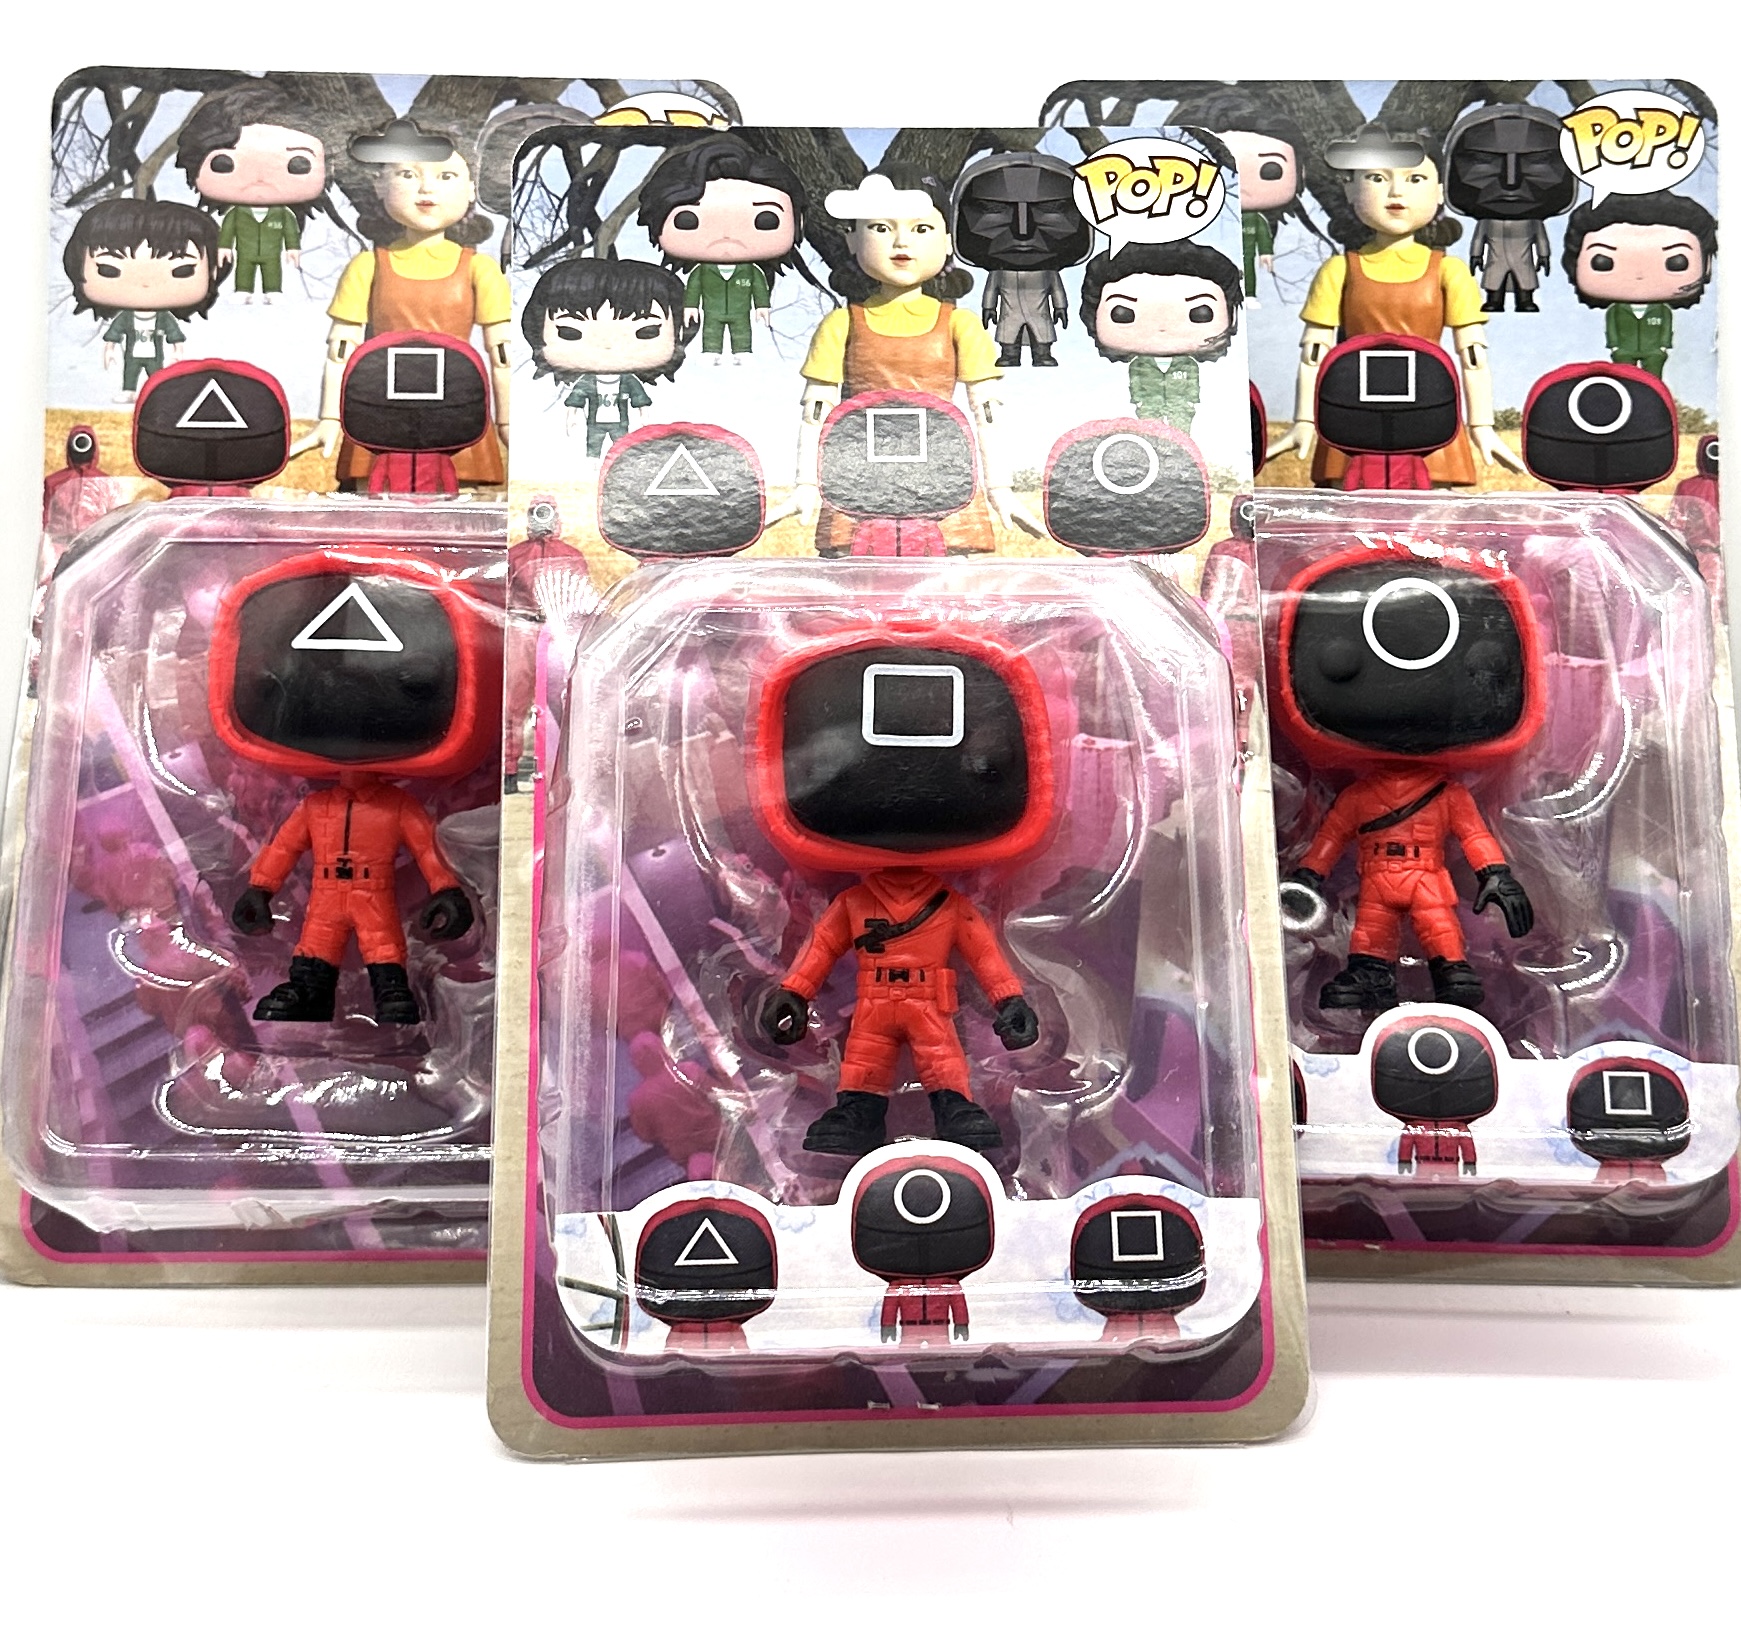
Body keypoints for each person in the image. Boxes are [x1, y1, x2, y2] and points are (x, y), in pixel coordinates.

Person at [784, 165, 1039, 550]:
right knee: (855, 571)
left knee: (949, 575)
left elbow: (987, 413)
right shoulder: (841, 324)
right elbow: (816, 412)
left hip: (944, 478)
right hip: (858, 481)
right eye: (880, 228)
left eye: (922, 229)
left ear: (948, 241)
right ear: (853, 239)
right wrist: (806, 484)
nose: (902, 242)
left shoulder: (961, 324)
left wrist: (1000, 488)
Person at [1268, 124, 1526, 485]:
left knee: (1433, 512)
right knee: (1350, 508)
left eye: (1415, 178)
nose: (1396, 191)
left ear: (1440, 191)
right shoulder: (1339, 270)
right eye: (1376, 178)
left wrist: (1482, 426)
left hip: (1431, 413)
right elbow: (1314, 355)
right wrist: (1305, 421)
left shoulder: (1449, 271)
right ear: (1350, 189)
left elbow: (1473, 358)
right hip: (1350, 414)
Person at [300, 118, 510, 487]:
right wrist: (330, 417)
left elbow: (502, 355)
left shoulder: (480, 269)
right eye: (408, 175)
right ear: (379, 184)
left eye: (446, 176)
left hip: (457, 406)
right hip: (377, 407)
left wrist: (506, 421)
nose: (427, 188)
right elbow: (340, 351)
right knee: (375, 497)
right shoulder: (368, 266)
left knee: (461, 503)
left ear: (471, 189)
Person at [636, 134, 815, 363]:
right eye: (687, 220)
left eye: (766, 219)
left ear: (798, 222)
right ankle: (712, 352)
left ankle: (742, 352)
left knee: (742, 329)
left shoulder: (752, 272)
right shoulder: (702, 273)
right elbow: (694, 288)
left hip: (740, 310)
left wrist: (762, 305)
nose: (726, 236)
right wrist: (691, 306)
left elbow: (759, 287)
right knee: (712, 329)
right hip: (712, 310)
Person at [175, 81, 331, 304]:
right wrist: (224, 247)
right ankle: (243, 290)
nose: (260, 177)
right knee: (244, 269)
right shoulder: (236, 214)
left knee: (272, 269)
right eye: (224, 164)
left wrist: (293, 248)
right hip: (245, 250)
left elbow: (290, 231)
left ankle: (273, 291)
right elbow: (228, 230)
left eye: (298, 164)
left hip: (271, 251)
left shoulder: (283, 215)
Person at [520, 256, 687, 456]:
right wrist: (571, 414)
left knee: (622, 446)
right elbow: (576, 399)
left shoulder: (628, 381)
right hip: (594, 423)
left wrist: (644, 415)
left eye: (647, 331)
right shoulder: (586, 382)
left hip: (620, 423)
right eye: (569, 332)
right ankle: (593, 463)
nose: (608, 346)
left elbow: (639, 398)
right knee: (594, 446)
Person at [63, 198, 221, 400]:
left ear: (213, 271)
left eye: (183, 270)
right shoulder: (126, 318)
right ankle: (129, 391)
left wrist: (177, 349)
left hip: (154, 354)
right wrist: (109, 348)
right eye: (109, 270)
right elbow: (115, 332)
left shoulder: (163, 318)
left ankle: (158, 396)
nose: (145, 284)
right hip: (132, 354)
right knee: (130, 372)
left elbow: (174, 333)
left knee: (157, 375)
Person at [1081, 241, 1244, 435]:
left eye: (1200, 313)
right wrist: (1138, 400)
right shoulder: (1139, 364)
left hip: (1181, 405)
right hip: (1148, 406)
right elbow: (1136, 383)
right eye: (1123, 313)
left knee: (1181, 429)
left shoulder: (1187, 364)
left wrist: (1192, 399)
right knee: (1149, 429)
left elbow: (1192, 382)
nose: (1162, 327)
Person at [1562, 192, 1718, 379]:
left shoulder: (1661, 310)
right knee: (1624, 380)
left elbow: (1666, 328)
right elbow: (1612, 328)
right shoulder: (1615, 310)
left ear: (1707, 265)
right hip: (1624, 350)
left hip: (1653, 351)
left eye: (1676, 262)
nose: (1639, 275)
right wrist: (1614, 346)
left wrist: (1663, 346)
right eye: (1603, 262)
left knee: (1654, 382)